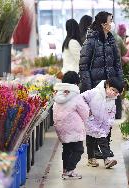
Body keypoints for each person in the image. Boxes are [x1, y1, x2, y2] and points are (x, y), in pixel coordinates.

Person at [79, 11, 123, 158]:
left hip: (110, 87)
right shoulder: (90, 41)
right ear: (104, 24)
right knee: (93, 121)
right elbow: (84, 67)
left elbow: (118, 63)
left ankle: (105, 147)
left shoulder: (111, 40)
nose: (112, 23)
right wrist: (88, 88)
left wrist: (120, 83)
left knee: (108, 118)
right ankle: (93, 151)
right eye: (111, 20)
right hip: (96, 88)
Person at [53, 71, 89, 179]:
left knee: (67, 149)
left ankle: (65, 170)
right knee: (79, 150)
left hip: (61, 127)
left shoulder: (57, 96)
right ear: (76, 83)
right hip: (74, 128)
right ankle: (70, 170)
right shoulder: (76, 96)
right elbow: (84, 112)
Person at [81, 77, 124, 168]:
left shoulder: (112, 99)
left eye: (116, 92)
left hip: (102, 125)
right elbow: (81, 98)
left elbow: (112, 112)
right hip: (91, 121)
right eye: (112, 90)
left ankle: (102, 159)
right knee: (91, 141)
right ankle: (96, 158)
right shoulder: (94, 92)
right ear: (107, 85)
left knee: (102, 141)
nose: (113, 93)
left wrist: (109, 123)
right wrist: (87, 110)